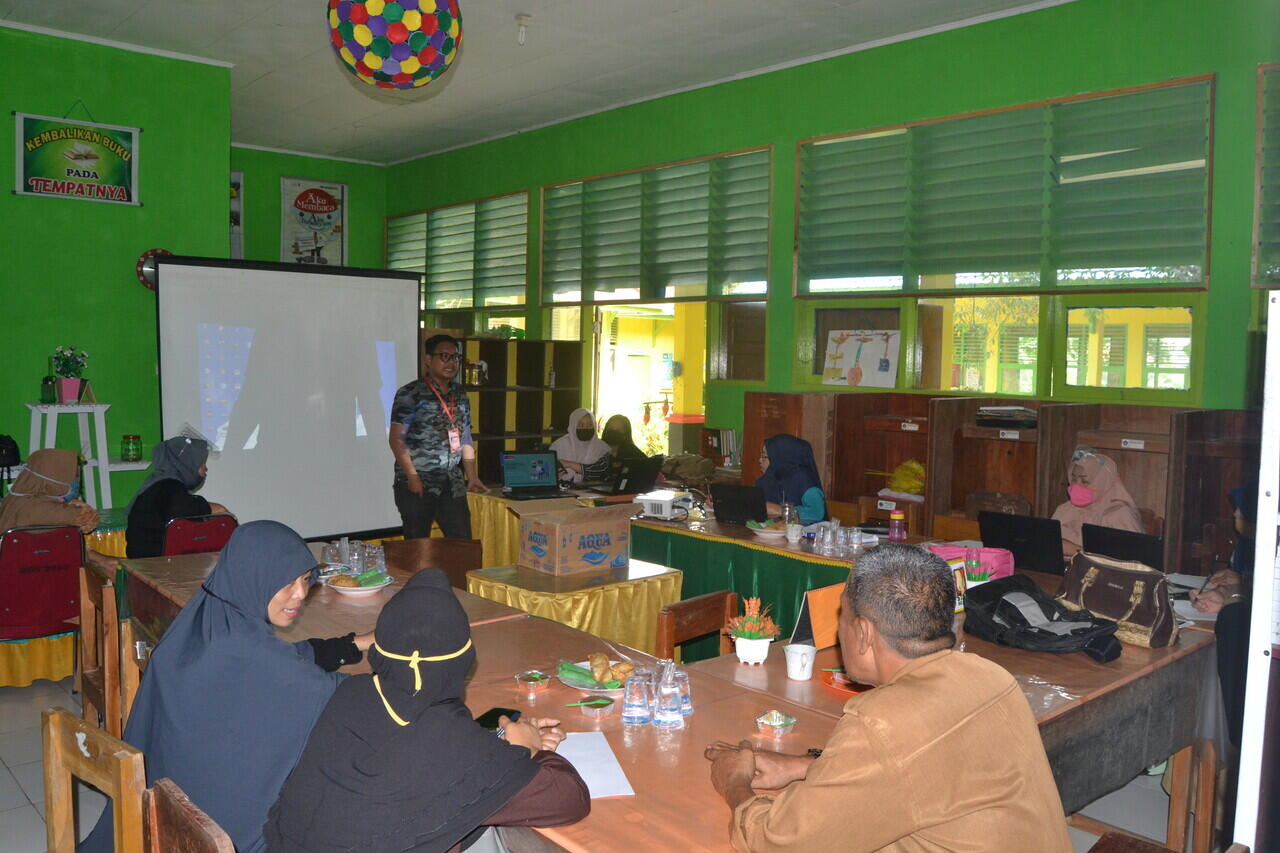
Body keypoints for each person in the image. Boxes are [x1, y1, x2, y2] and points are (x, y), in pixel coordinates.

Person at [705, 544, 1071, 853]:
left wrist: (734, 783)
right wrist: (805, 766)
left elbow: (781, 842)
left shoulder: (884, 722)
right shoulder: (988, 675)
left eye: (843, 616)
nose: (839, 629)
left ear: (864, 633)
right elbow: (926, 773)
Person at [80, 521, 371, 853]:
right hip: (214, 834)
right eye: (287, 583)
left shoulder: (204, 623)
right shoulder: (257, 660)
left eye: (305, 581)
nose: (300, 595)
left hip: (157, 817)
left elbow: (289, 659)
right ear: (254, 577)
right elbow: (332, 693)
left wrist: (356, 642)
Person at [265, 569, 590, 852]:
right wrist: (528, 749)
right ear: (462, 662)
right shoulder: (452, 740)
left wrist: (496, 743)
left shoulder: (350, 694)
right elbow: (569, 800)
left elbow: (411, 754)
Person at [389, 334, 486, 539]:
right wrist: (412, 476)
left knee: (462, 545)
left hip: (452, 482)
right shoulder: (410, 393)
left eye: (455, 357)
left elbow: (465, 436)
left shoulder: (460, 394)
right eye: (444, 356)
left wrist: (472, 475)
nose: (451, 362)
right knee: (418, 548)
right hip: (418, 483)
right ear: (428, 359)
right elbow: (397, 439)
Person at [1189, 484, 1257, 748]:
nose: (1235, 513)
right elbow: (1241, 583)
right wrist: (1222, 591)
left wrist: (1231, 598)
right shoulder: (1245, 544)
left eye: (1242, 508)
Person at [0, 448, 115, 570]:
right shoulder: (43, 509)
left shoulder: (16, 500)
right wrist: (80, 506)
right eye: (73, 476)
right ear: (55, 476)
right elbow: (86, 518)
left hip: (21, 570)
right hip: (38, 573)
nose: (76, 480)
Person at [125, 436, 227, 558]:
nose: (205, 468)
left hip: (147, 564)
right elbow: (187, 508)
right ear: (188, 464)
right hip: (154, 568)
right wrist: (219, 510)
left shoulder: (159, 483)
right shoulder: (169, 487)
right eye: (201, 463)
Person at [1050, 447, 1142, 558]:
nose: (1077, 486)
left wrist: (1077, 551)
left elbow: (1130, 559)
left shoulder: (1119, 515)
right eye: (1074, 479)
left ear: (1102, 483)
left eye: (1084, 481)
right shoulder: (1065, 509)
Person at [754, 434, 825, 523]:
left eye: (764, 457)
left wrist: (781, 510)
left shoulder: (804, 479)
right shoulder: (766, 480)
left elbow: (816, 513)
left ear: (779, 457)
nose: (759, 460)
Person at [549, 407, 611, 484]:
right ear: (573, 426)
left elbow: (599, 470)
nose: (586, 428)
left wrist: (570, 464)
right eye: (581, 425)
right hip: (563, 490)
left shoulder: (602, 447)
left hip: (593, 492)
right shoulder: (559, 445)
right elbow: (548, 470)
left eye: (590, 425)